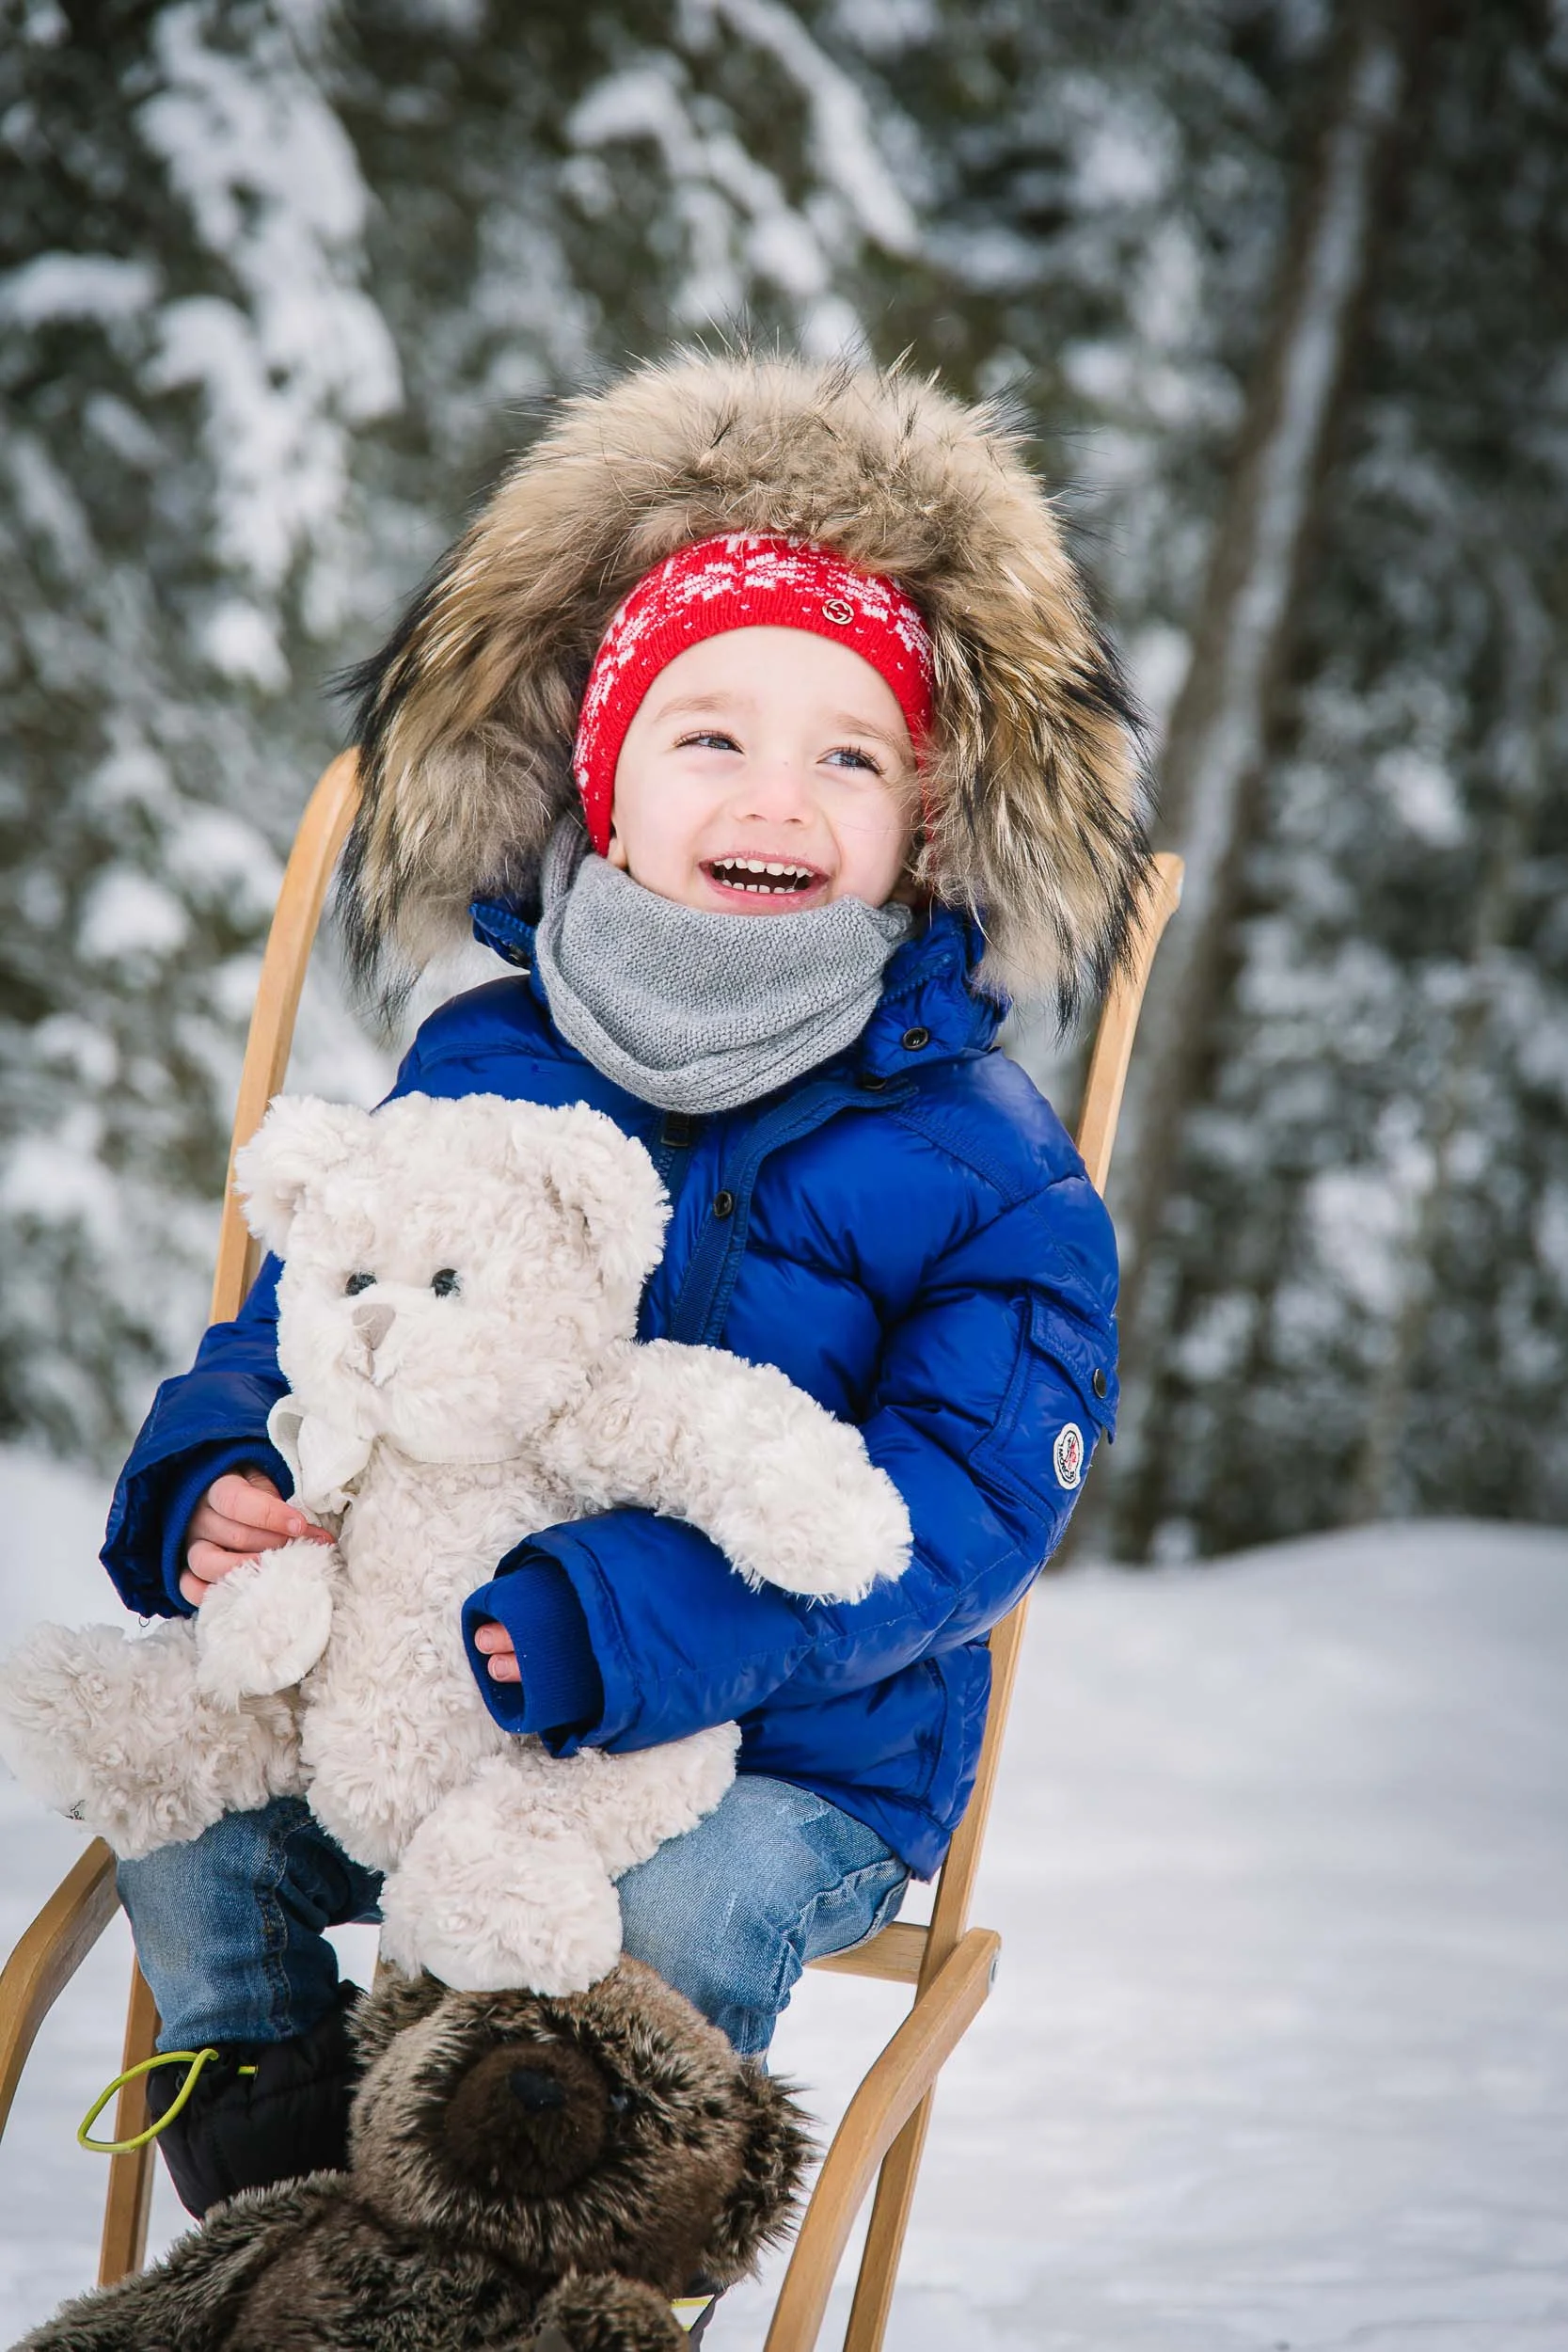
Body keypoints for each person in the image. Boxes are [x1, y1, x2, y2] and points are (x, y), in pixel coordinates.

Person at [100, 352, 1151, 2226]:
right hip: (423, 1682)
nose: (781, 789)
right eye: (711, 735)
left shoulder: (985, 1159)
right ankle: (287, 2208)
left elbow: (957, 1511)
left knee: (664, 1913)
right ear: (604, 778)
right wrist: (211, 1480)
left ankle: (519, 2253)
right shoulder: (485, 1049)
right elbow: (318, 1316)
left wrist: (643, 1620)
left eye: (849, 752)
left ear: (924, 817)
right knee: (190, 1793)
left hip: (789, 1745)